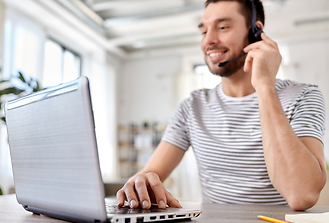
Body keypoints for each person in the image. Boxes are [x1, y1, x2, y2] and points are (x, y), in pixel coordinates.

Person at [116, 0, 326, 211]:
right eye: (204, 31)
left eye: (223, 27)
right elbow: (149, 174)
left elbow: (301, 195)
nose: (209, 40)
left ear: (255, 31)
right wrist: (138, 185)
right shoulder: (192, 107)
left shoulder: (303, 96)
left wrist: (264, 86)